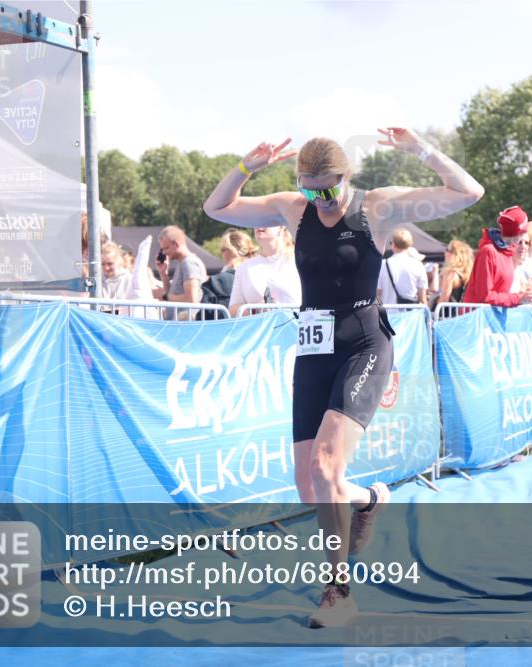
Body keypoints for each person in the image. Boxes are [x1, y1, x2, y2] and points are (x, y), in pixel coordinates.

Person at [203, 128, 484, 628]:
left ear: (345, 179)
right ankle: (371, 498)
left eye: (327, 190)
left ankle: (339, 594)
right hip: (313, 345)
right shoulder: (295, 209)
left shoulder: (377, 208)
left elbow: (469, 193)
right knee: (309, 486)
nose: (320, 200)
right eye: (310, 190)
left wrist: (420, 150)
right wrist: (247, 165)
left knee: (327, 468)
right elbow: (217, 208)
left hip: (363, 342)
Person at [462, 206, 532, 307]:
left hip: (493, 317)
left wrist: (530, 287)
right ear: (518, 232)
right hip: (477, 318)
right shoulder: (488, 252)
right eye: (523, 233)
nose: (523, 239)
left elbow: (507, 292)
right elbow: (485, 296)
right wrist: (519, 298)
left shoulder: (508, 252)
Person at [226, 225, 300, 316]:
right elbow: (232, 310)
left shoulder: (300, 260)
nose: (258, 224)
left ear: (282, 226)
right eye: (255, 220)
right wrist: (255, 309)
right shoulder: (244, 268)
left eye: (265, 219)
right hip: (259, 328)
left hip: (294, 327)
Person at [153, 225, 205, 320]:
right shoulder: (183, 263)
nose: (163, 253)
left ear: (176, 244)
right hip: (178, 325)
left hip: (184, 327)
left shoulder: (189, 263)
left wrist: (165, 296)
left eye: (166, 248)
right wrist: (163, 273)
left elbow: (191, 299)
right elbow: (173, 295)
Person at [201, 228, 257, 312]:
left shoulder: (219, 279)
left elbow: (205, 313)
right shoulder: (257, 268)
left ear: (231, 250)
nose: (221, 253)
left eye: (223, 249)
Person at [377, 227, 428, 305]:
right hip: (411, 313)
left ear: (393, 244)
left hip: (388, 312)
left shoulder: (383, 264)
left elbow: (378, 293)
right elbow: (422, 298)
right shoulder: (418, 265)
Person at [437, 239, 473, 304]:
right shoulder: (466, 274)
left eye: (447, 250)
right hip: (461, 312)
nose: (445, 252)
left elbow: (444, 299)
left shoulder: (450, 274)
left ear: (454, 255)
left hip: (448, 312)